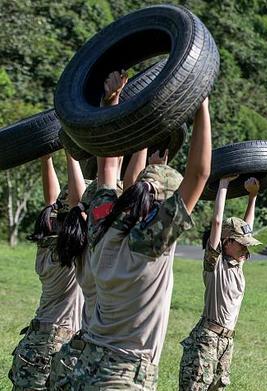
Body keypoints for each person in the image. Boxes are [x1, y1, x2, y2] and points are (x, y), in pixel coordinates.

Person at [68, 70, 211, 389]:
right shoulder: (151, 242)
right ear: (162, 206)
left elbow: (108, 168)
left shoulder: (101, 227)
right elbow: (200, 174)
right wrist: (199, 100)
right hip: (125, 372)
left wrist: (112, 101)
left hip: (88, 364)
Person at [49, 148, 156, 390]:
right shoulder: (109, 247)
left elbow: (81, 201)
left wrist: (73, 152)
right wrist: (142, 140)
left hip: (82, 351)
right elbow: (130, 189)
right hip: (106, 359)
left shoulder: (79, 245)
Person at [179, 176, 262, 390]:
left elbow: (247, 227)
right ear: (226, 242)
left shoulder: (237, 264)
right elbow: (217, 221)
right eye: (241, 244)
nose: (246, 248)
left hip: (227, 342)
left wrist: (252, 196)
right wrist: (223, 183)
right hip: (207, 339)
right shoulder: (215, 265)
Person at [8, 154, 83, 390]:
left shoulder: (47, 243)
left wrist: (45, 157)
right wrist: (73, 154)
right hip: (57, 342)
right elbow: (79, 202)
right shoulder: (72, 249)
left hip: (36, 339)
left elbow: (52, 202)